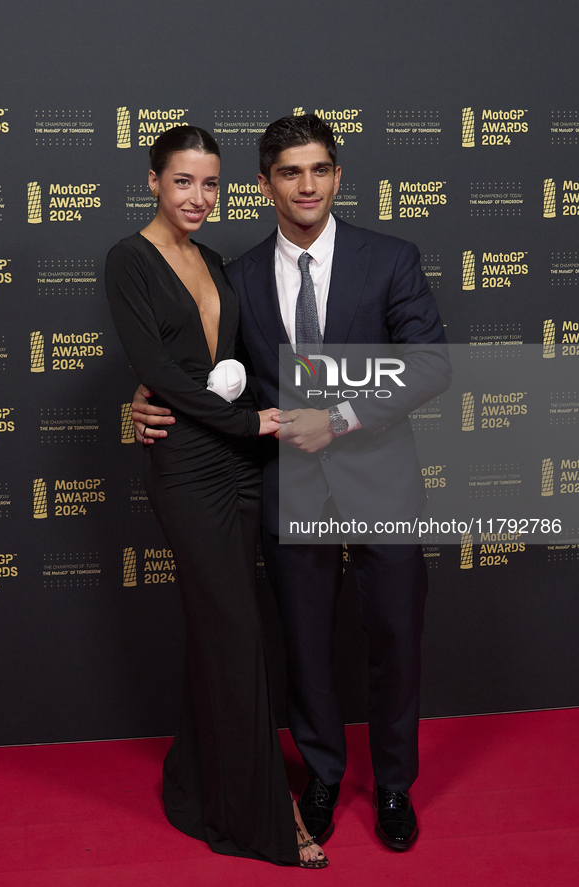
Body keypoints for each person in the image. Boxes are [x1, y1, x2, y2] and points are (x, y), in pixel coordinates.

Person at [132, 115, 450, 852]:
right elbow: (211, 378)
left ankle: (395, 782)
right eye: (289, 172)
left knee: (396, 639)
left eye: (320, 169)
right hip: (286, 488)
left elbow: (429, 365)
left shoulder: (390, 259)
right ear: (263, 183)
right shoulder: (234, 276)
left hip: (385, 485)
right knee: (304, 645)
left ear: (337, 175)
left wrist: (337, 415)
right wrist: (148, 397)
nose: (307, 185)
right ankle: (323, 774)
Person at [105, 125, 328, 868]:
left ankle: (197, 783)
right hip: (187, 468)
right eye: (182, 182)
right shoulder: (128, 261)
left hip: (235, 466)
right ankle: (268, 814)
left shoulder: (212, 261)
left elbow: (231, 362)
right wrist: (241, 419)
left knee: (220, 634)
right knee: (237, 637)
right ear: (152, 183)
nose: (197, 198)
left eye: (210, 184)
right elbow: (160, 371)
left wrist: (253, 418)